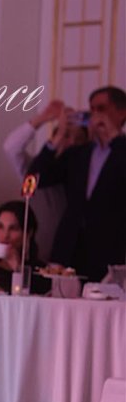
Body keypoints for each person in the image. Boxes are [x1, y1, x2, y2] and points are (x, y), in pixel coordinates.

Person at [27, 86, 126, 281]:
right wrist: (57, 138)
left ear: (121, 112)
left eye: (101, 109)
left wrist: (115, 137)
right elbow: (34, 179)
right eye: (92, 109)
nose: (95, 115)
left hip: (109, 251)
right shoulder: (79, 153)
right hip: (68, 249)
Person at [3, 99, 88, 263]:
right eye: (66, 135)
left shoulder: (87, 177)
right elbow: (11, 148)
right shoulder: (34, 171)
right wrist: (42, 118)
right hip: (37, 256)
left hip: (74, 257)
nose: (72, 143)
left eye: (79, 139)